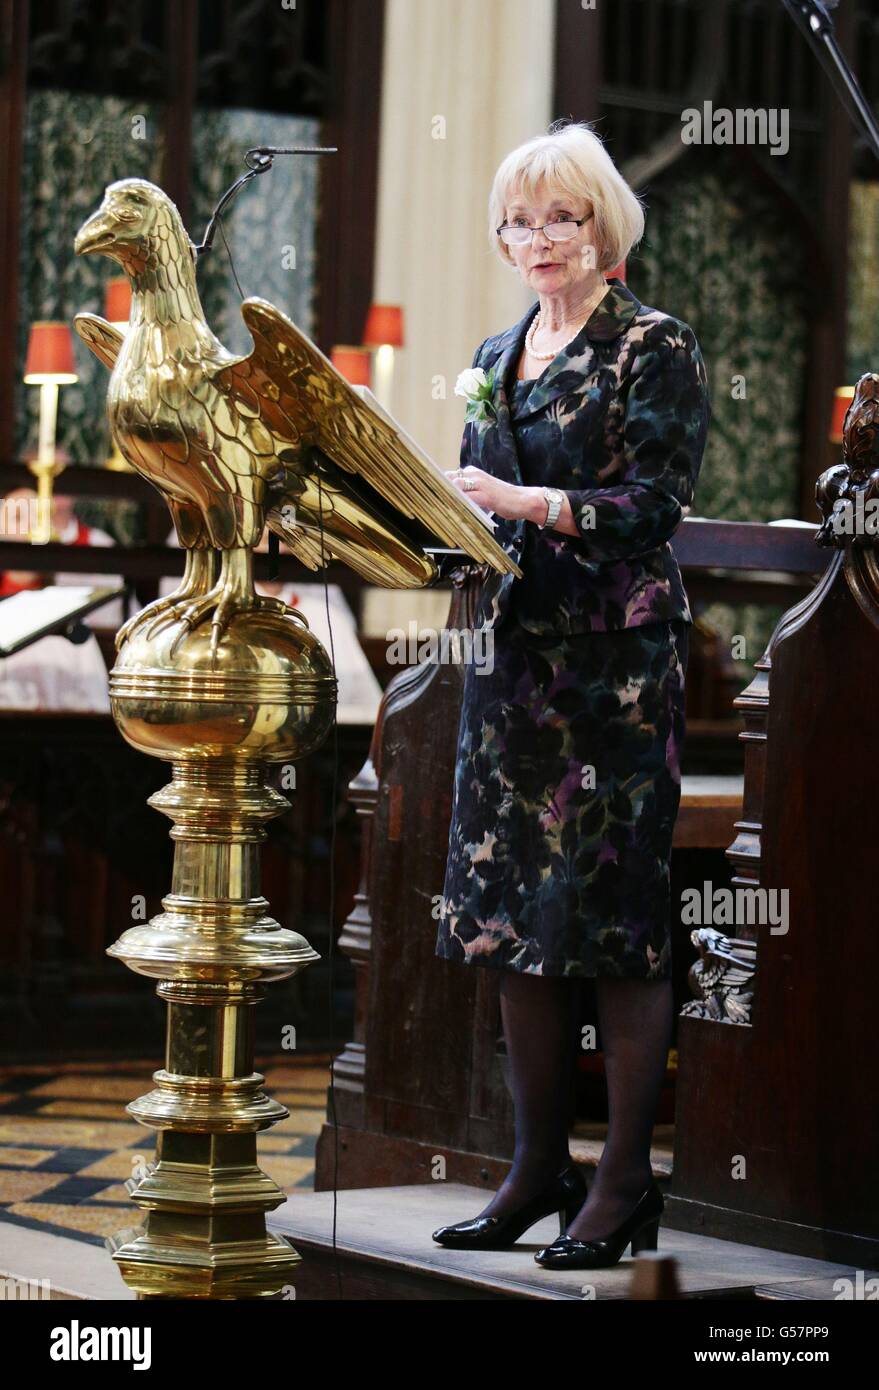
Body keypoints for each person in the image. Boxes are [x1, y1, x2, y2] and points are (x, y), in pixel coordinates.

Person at [432, 120, 710, 1269]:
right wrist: (429, 523)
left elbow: (652, 507)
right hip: (513, 671)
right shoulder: (498, 353)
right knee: (514, 922)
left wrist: (528, 503)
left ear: (604, 226)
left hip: (616, 671)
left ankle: (622, 1180)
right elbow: (478, 513)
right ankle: (536, 1169)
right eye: (517, 220)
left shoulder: (657, 345)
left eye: (559, 216)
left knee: (617, 929)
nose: (536, 238)